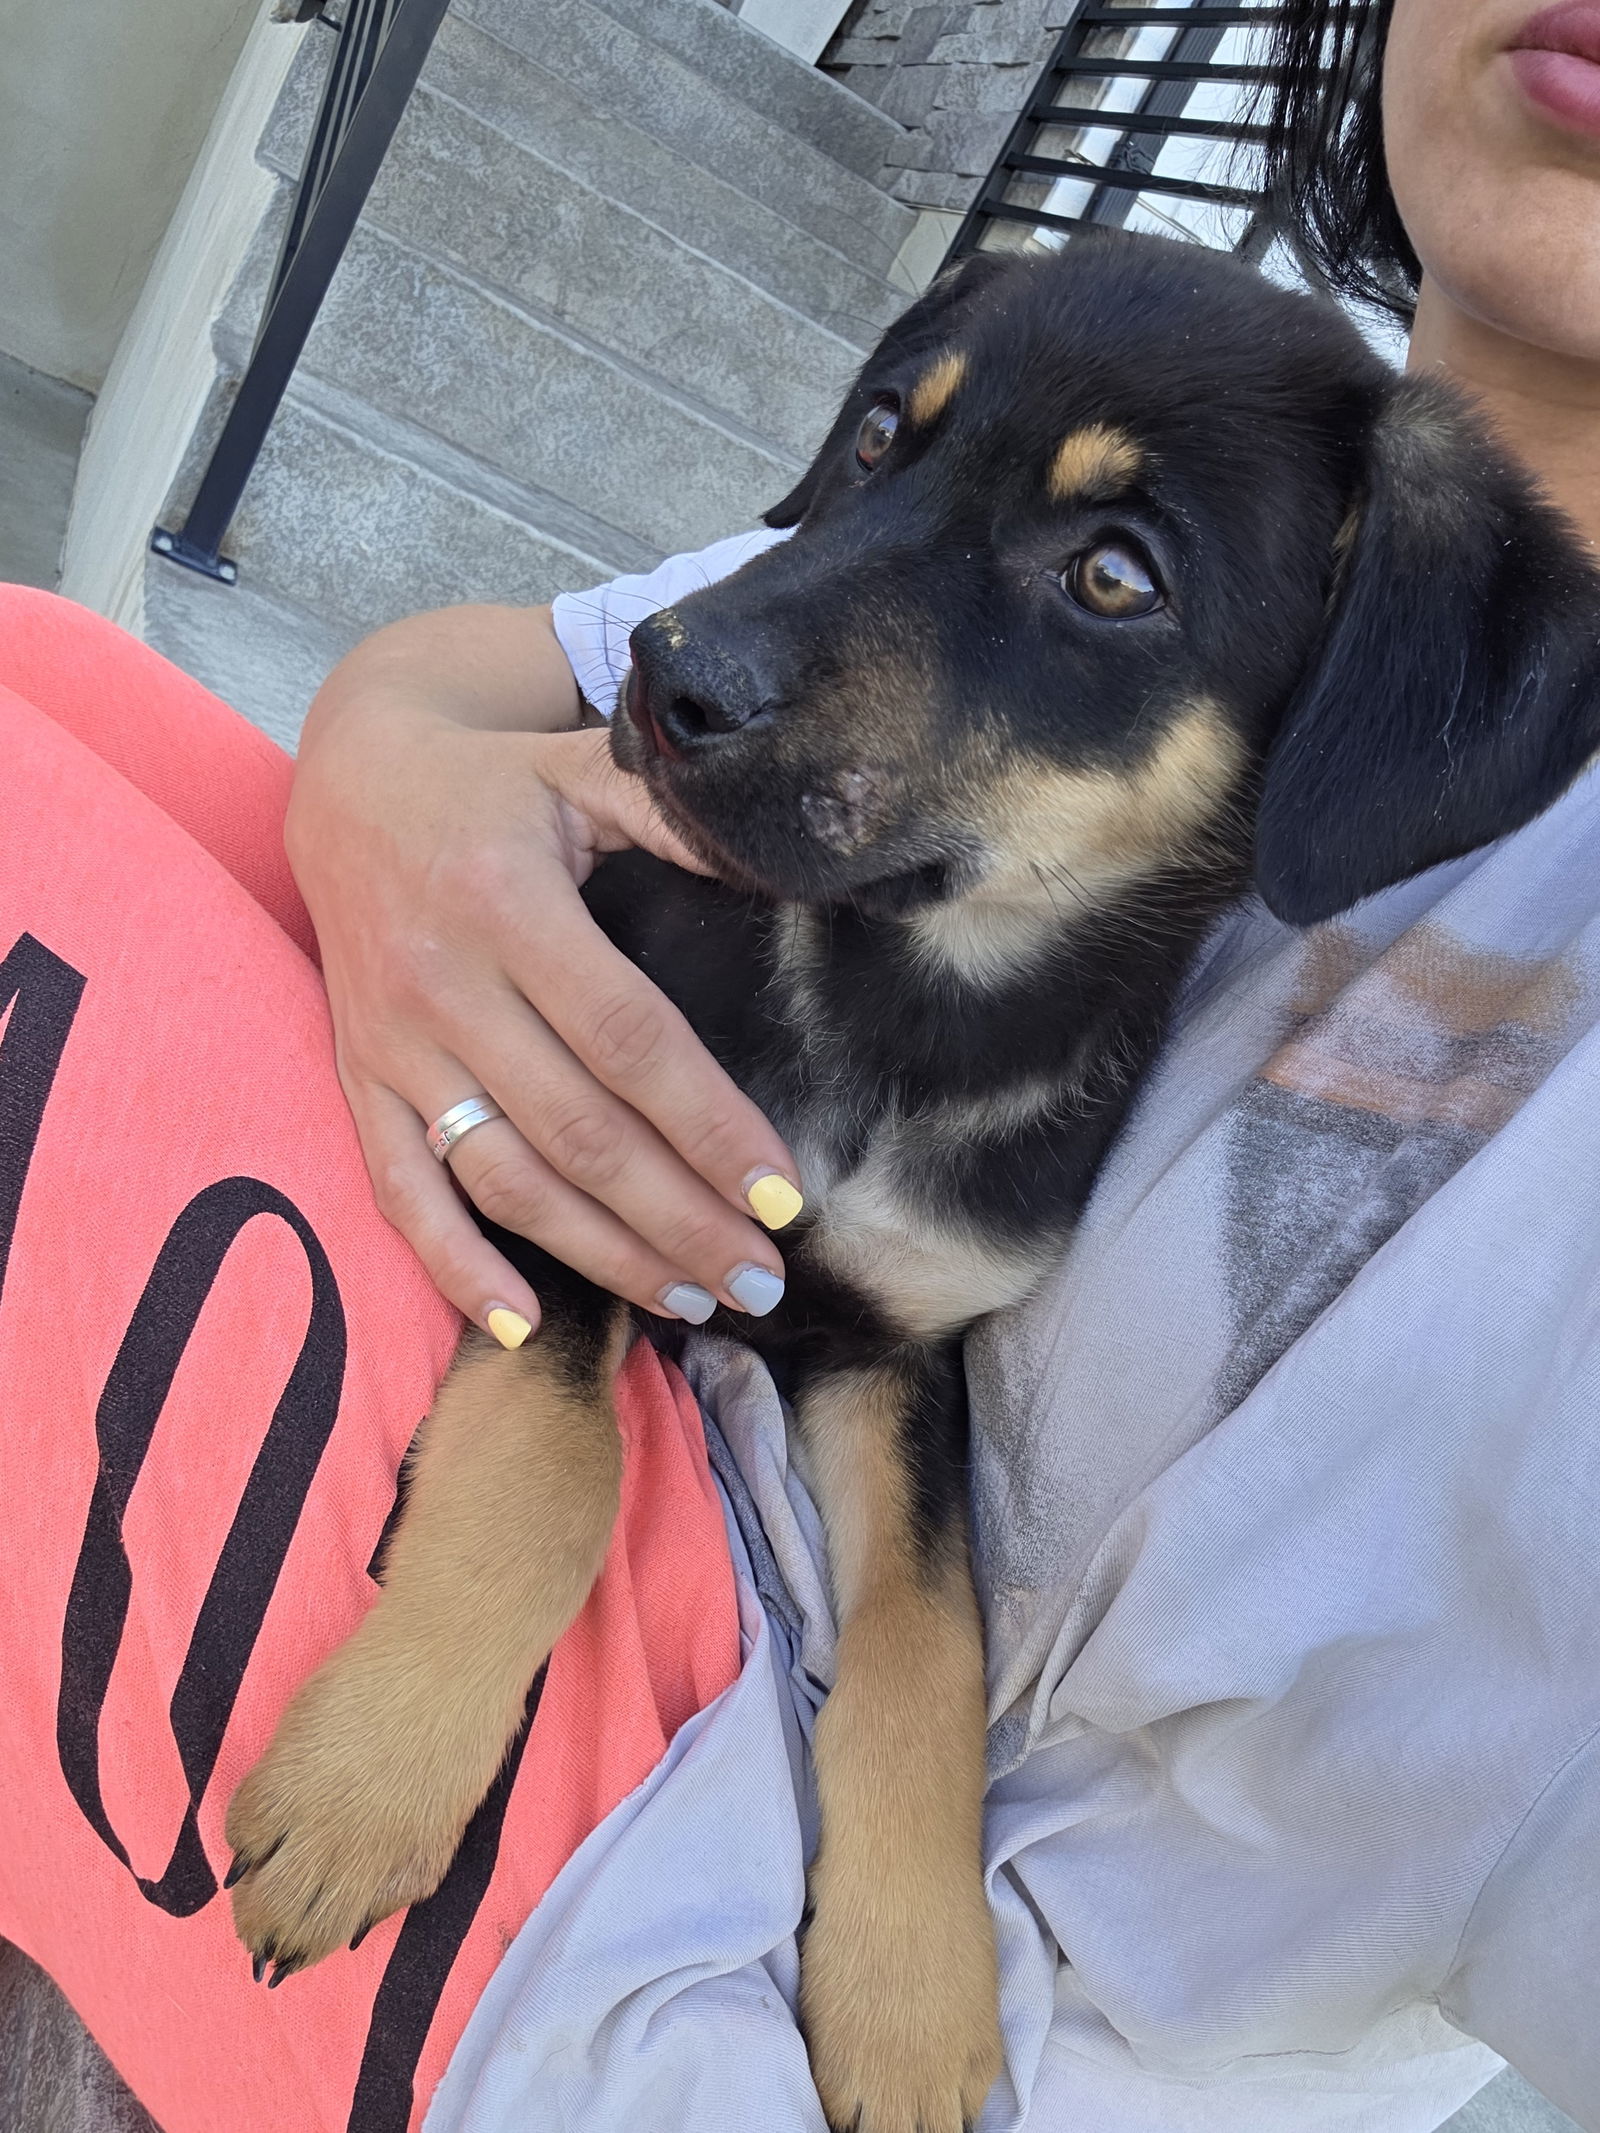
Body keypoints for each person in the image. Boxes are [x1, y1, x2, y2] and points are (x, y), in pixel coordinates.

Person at [3, 0, 1599, 2127]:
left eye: (1106, 575)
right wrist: (394, 780)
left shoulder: (1371, 632)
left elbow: (870, 1348)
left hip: (626, 1970)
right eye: (881, 452)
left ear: (1373, 715)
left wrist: (896, 1776)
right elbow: (540, 681)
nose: (752, 638)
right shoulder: (1110, 399)